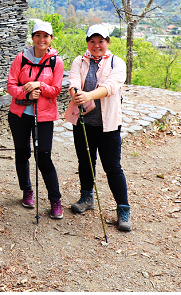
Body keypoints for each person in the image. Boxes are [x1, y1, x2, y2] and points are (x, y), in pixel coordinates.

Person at [64, 24, 131, 231]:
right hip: (84, 122)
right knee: (85, 161)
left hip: (108, 125)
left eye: (100, 41)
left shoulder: (116, 63)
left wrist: (88, 95)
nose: (96, 45)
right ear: (87, 43)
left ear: (107, 42)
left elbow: (111, 87)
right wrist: (75, 91)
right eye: (92, 41)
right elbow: (73, 80)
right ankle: (86, 197)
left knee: (113, 167)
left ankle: (123, 209)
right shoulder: (79, 60)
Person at [6, 20, 65, 219]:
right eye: (38, 35)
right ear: (32, 38)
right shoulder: (21, 58)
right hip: (19, 115)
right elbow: (11, 86)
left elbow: (56, 90)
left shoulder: (56, 62)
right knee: (22, 154)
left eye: (45, 36)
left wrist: (38, 85)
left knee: (44, 157)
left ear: (51, 39)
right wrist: (26, 94)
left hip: (44, 116)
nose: (41, 39)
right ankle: (27, 190)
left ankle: (55, 200)